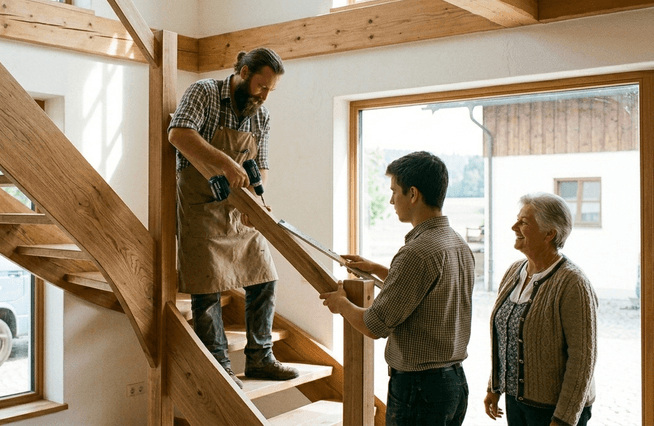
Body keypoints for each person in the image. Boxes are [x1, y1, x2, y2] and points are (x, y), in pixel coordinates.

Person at [167, 47, 298, 388]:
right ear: (242, 72)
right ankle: (219, 364)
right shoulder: (205, 92)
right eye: (260, 85)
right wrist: (226, 162)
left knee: (264, 276)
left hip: (238, 209)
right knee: (206, 286)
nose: (264, 95)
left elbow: (262, 166)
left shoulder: (261, 116)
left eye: (270, 90)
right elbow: (178, 134)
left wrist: (257, 201)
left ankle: (260, 358)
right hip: (199, 205)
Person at [320, 151, 474, 426]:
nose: (391, 200)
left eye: (394, 192)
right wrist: (377, 269)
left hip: (419, 391)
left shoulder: (417, 252)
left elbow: (374, 326)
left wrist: (341, 304)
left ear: (413, 194)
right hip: (453, 385)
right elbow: (429, 291)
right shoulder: (456, 243)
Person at [483, 193, 597, 426]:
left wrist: (564, 419)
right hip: (516, 402)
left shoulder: (573, 283)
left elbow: (583, 359)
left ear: (549, 234)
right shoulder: (514, 272)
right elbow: (506, 338)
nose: (514, 226)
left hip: (554, 410)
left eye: (523, 222)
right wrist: (494, 386)